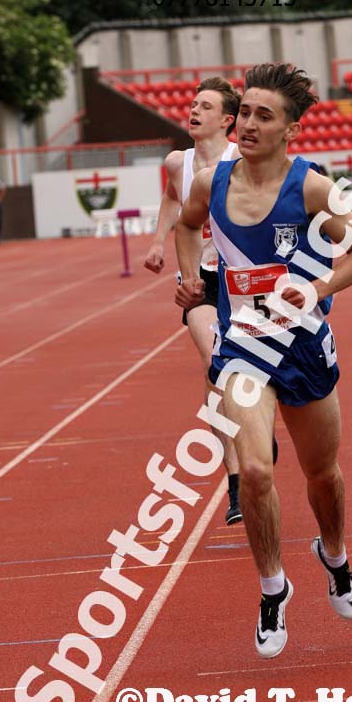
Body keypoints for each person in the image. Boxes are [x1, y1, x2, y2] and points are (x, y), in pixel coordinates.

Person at [175, 63, 352, 658]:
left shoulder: (313, 187)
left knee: (322, 475)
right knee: (256, 471)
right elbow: (188, 227)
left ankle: (334, 555)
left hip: (304, 347)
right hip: (242, 347)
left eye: (266, 116)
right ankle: (273, 588)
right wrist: (195, 281)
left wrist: (314, 290)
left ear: (291, 130)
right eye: (246, 114)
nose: (249, 125)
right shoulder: (209, 182)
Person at [144, 76, 244, 525]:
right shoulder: (176, 162)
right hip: (201, 278)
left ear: (227, 120)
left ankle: (255, 426)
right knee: (212, 361)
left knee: (248, 370)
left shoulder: (240, 160)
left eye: (205, 106)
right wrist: (158, 242)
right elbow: (171, 199)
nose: (194, 110)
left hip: (243, 276)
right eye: (192, 103)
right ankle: (237, 480)